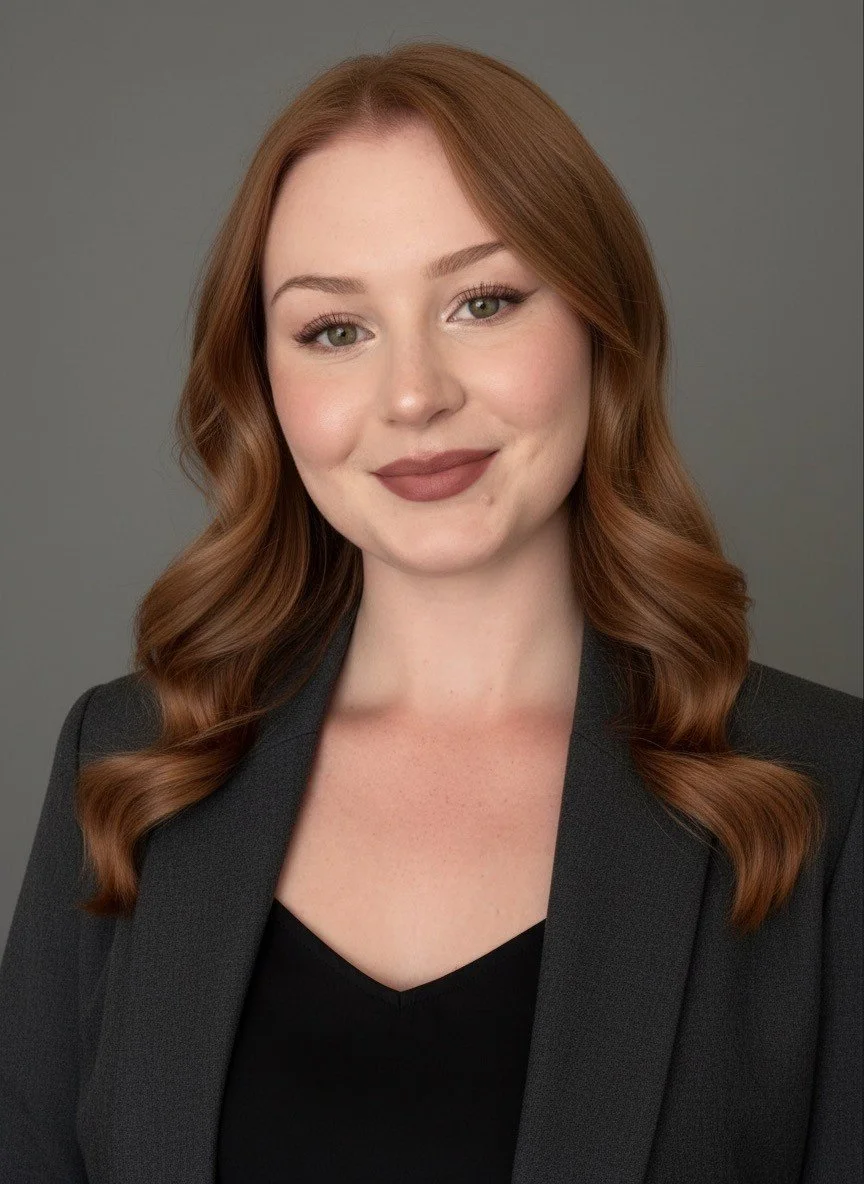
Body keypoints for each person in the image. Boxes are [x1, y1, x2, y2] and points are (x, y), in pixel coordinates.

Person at [0, 41, 860, 1184]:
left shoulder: (828, 791)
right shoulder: (124, 764)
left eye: (482, 301)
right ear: (264, 380)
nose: (413, 395)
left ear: (602, 329)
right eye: (334, 330)